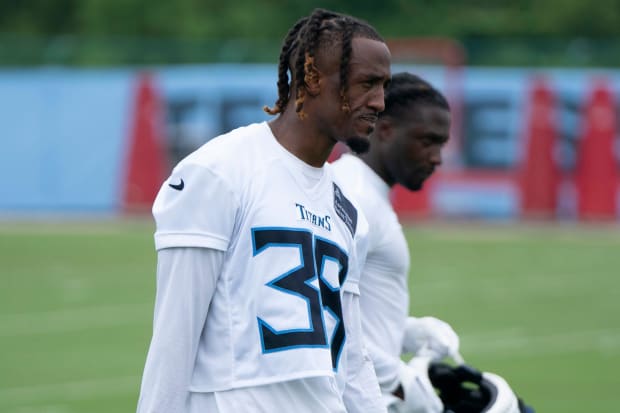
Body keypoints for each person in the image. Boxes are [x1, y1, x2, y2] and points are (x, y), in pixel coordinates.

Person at [136, 8, 391, 413]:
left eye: (383, 86)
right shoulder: (220, 171)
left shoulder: (346, 208)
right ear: (312, 78)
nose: (379, 102)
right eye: (367, 84)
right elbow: (174, 338)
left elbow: (352, 358)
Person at [331, 73, 458, 413]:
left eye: (441, 145)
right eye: (426, 141)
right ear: (384, 130)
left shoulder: (362, 191)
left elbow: (354, 309)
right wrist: (399, 380)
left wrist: (408, 332)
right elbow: (323, 316)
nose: (436, 158)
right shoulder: (356, 198)